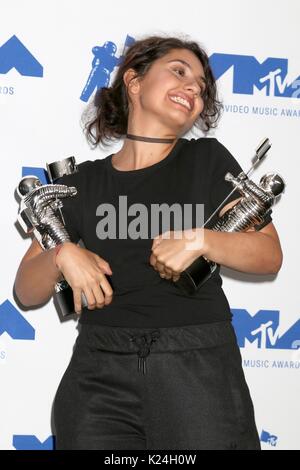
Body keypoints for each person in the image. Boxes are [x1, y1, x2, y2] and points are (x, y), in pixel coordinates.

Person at [14, 35, 283, 450]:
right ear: (134, 82)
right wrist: (62, 254)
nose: (194, 87)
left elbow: (269, 255)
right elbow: (26, 291)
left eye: (201, 85)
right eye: (179, 71)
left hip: (197, 370)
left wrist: (201, 240)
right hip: (97, 378)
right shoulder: (80, 183)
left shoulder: (208, 161)